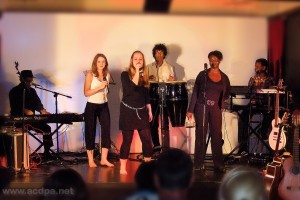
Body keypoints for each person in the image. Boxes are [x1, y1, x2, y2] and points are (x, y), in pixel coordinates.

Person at [186, 50, 230, 172]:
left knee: (216, 135)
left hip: (215, 108)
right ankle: (198, 163)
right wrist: (190, 110)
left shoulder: (224, 77)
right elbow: (195, 92)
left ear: (220, 61)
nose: (213, 62)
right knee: (201, 134)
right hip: (202, 107)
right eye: (211, 59)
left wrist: (221, 103)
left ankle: (218, 164)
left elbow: (226, 93)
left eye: (215, 60)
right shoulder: (202, 75)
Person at [119, 50, 153, 175]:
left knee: (147, 139)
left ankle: (148, 166)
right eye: (136, 59)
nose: (138, 61)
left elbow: (146, 94)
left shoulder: (144, 75)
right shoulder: (124, 74)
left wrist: (149, 109)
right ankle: (123, 167)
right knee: (127, 140)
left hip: (141, 111)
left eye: (141, 59)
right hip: (128, 111)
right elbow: (131, 88)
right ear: (131, 61)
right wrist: (138, 72)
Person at [9, 70, 54, 160]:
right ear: (22, 80)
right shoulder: (14, 91)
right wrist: (25, 110)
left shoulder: (32, 91)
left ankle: (46, 152)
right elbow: (14, 106)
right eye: (27, 81)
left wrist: (42, 110)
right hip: (19, 121)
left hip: (31, 120)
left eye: (30, 81)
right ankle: (21, 156)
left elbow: (37, 103)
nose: (30, 83)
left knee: (46, 128)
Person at [237, 58, 275, 153]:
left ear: (264, 67)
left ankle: (263, 134)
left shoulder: (270, 79)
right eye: (255, 66)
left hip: (266, 105)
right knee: (243, 117)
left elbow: (272, 93)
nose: (256, 68)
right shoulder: (253, 79)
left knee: (271, 115)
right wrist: (251, 96)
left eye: (258, 66)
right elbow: (248, 93)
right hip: (253, 104)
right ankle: (243, 148)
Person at [83, 53, 114, 168]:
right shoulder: (90, 75)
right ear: (95, 63)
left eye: (103, 62)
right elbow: (86, 93)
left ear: (106, 63)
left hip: (103, 105)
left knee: (106, 130)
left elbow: (106, 92)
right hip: (91, 105)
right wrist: (99, 87)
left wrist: (103, 91)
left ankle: (104, 159)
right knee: (90, 131)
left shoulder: (107, 75)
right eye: (99, 61)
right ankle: (91, 160)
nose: (101, 64)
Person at [147, 43, 175, 153]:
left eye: (161, 52)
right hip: (152, 98)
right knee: (152, 123)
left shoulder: (169, 67)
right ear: (154, 54)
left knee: (165, 123)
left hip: (165, 98)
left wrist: (172, 80)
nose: (159, 54)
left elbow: (172, 82)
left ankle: (166, 147)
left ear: (164, 54)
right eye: (157, 52)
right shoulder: (148, 67)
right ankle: (157, 146)